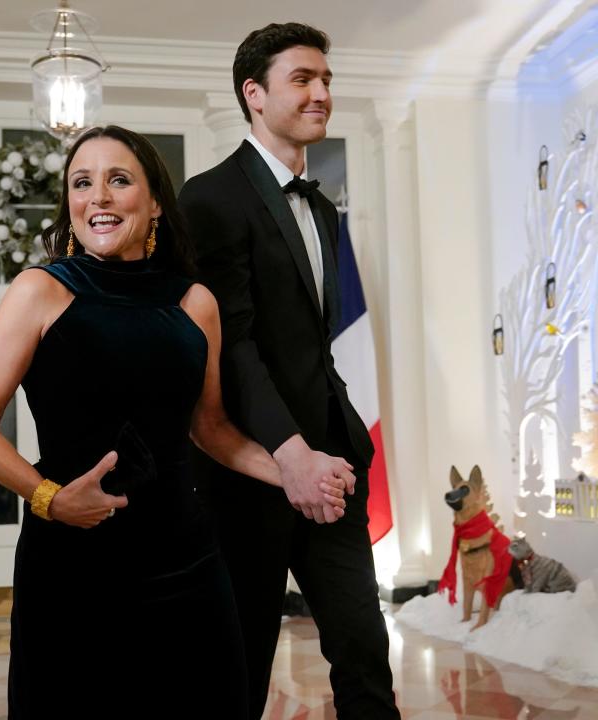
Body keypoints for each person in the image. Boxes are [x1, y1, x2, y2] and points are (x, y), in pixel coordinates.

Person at [0, 125, 349, 719]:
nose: (98, 197)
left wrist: (293, 473)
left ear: (156, 200)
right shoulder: (40, 291)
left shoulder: (195, 304)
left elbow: (209, 429)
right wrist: (50, 498)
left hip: (185, 560)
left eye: (119, 180)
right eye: (82, 183)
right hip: (72, 568)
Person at [178, 23, 401, 720]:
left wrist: (332, 448)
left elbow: (313, 345)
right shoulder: (209, 198)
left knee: (364, 653)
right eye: (302, 79)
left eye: (326, 80)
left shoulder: (325, 207)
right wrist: (290, 454)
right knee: (238, 665)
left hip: (331, 467)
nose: (321, 93)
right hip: (250, 472)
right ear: (254, 94)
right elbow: (233, 345)